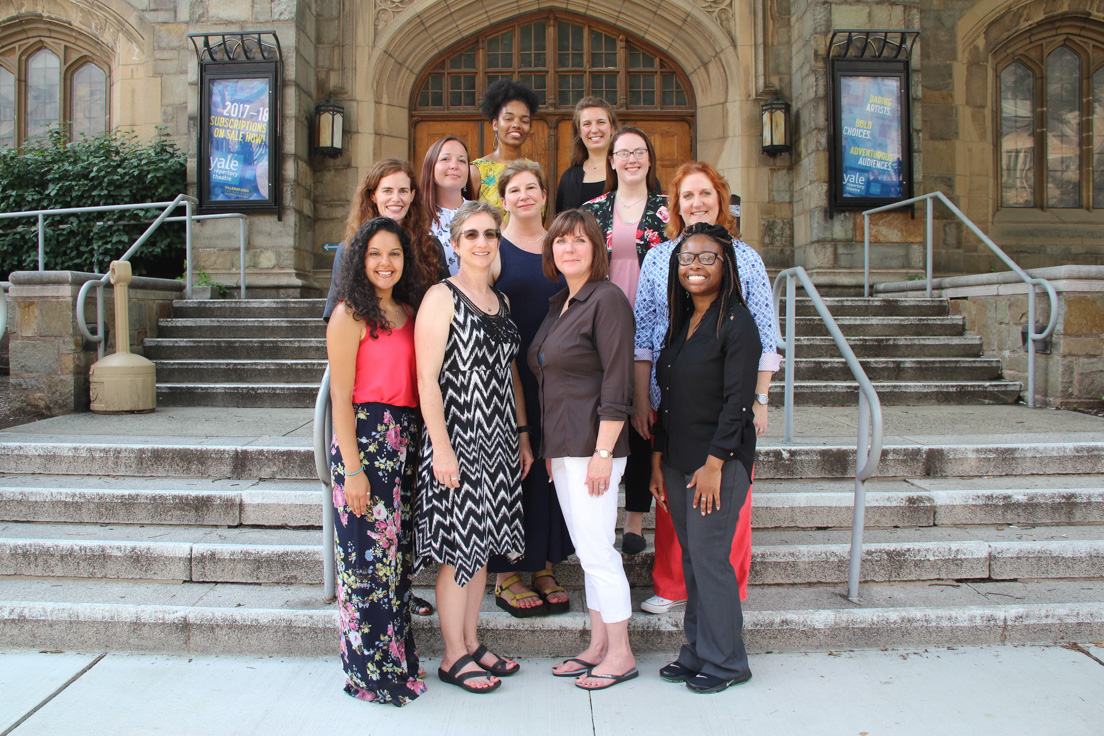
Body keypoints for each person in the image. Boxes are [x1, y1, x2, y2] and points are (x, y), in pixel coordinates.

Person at [633, 161, 780, 615]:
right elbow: (643, 331)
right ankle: (673, 584)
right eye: (688, 197)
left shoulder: (744, 256)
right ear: (675, 206)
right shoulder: (660, 257)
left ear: (720, 201)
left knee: (722, 501)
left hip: (724, 399)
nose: (697, 203)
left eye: (705, 195)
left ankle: (725, 589)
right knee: (673, 498)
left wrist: (760, 398)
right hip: (671, 397)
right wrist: (642, 399)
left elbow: (765, 332)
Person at [414, 200, 533, 694]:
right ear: (456, 243)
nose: (482, 242)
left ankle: (471, 640)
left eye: (490, 234)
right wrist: (441, 448)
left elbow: (511, 374)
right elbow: (426, 378)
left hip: (500, 438)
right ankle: (452, 655)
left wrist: (523, 435)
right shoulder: (442, 297)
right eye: (472, 235)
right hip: (458, 436)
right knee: (458, 549)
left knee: (480, 548)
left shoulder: (500, 302)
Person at [529, 209, 638, 691]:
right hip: (565, 447)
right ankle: (597, 645)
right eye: (560, 242)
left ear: (596, 249)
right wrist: (552, 449)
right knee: (588, 552)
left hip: (596, 446)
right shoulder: (560, 305)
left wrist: (603, 451)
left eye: (578, 241)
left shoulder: (607, 300)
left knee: (598, 552)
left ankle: (621, 653)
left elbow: (617, 380)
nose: (568, 249)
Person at [650, 222, 759, 694]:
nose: (694, 266)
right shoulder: (683, 320)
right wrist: (657, 458)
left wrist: (715, 464)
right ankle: (697, 650)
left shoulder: (737, 322)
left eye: (706, 258)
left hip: (717, 463)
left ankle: (728, 660)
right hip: (677, 458)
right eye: (686, 259)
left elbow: (738, 401)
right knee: (694, 558)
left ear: (726, 266)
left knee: (712, 558)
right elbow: (669, 397)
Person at [326, 216, 429, 706]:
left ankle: (398, 661)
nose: (385, 263)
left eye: (394, 254)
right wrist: (352, 469)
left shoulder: (410, 311)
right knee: (365, 566)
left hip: (404, 445)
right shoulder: (349, 314)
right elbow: (340, 399)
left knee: (396, 564)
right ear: (359, 261)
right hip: (364, 443)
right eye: (375, 254)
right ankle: (370, 673)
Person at [486, 161, 572, 617]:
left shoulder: (560, 243)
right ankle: (506, 572)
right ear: (504, 198)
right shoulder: (494, 248)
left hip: (558, 375)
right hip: (508, 375)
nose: (523, 195)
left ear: (543, 194)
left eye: (531, 187)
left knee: (549, 469)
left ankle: (543, 565)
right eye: (514, 189)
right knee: (513, 469)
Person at [581, 126, 668, 556]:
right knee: (608, 414)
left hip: (657, 327)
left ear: (650, 159)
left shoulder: (671, 211)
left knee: (645, 418)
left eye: (639, 151)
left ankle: (635, 517)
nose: (631, 158)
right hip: (603, 328)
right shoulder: (592, 211)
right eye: (623, 152)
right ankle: (599, 514)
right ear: (610, 161)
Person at [324, 159, 445, 323]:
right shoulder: (347, 249)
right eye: (387, 191)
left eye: (403, 191)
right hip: (369, 342)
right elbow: (335, 313)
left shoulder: (431, 248)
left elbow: (445, 303)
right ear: (373, 195)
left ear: (412, 195)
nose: (396, 198)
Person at [469, 80, 540, 214]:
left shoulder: (536, 170)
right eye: (508, 119)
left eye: (524, 121)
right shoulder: (476, 172)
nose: (516, 125)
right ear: (495, 124)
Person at [419, 136, 473, 276]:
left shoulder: (481, 214)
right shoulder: (416, 215)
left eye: (462, 160)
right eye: (445, 159)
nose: (454, 165)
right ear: (430, 167)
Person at [555, 97, 619, 212]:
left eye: (601, 122)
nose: (594, 130)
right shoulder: (568, 178)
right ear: (579, 131)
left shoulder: (631, 171)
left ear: (612, 127)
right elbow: (560, 224)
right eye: (587, 124)